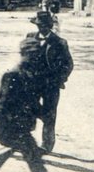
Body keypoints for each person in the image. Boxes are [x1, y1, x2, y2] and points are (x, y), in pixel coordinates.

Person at [0, 38, 48, 172]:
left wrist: (43, 114)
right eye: (31, 54)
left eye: (37, 54)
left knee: (26, 156)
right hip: (11, 127)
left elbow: (31, 101)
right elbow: (1, 105)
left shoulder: (30, 74)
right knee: (33, 158)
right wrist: (2, 127)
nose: (35, 57)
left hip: (22, 126)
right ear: (23, 54)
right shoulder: (12, 75)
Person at [26, 10, 73, 153]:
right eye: (40, 25)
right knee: (28, 110)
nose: (42, 28)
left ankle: (47, 144)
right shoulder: (29, 38)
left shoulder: (60, 42)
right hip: (32, 83)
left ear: (50, 26)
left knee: (49, 114)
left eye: (45, 25)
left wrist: (59, 79)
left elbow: (68, 64)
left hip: (50, 85)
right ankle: (26, 142)